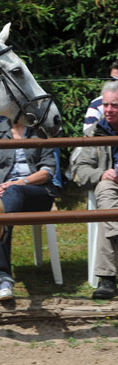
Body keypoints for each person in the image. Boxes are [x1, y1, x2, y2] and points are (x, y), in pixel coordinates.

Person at [0, 118, 57, 301]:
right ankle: (3, 221)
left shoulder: (40, 132)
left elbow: (48, 171)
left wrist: (21, 182)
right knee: (7, 201)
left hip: (36, 192)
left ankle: (4, 279)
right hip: (1, 193)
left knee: (5, 208)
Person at [72, 80, 118, 299]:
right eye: (106, 105)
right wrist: (101, 174)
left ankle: (107, 279)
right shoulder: (96, 132)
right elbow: (80, 169)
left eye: (115, 105)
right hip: (110, 185)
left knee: (107, 219)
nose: (109, 110)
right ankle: (107, 279)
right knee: (105, 192)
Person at [83, 61, 118, 133]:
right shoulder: (96, 105)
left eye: (114, 105)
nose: (109, 110)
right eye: (113, 79)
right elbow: (89, 136)